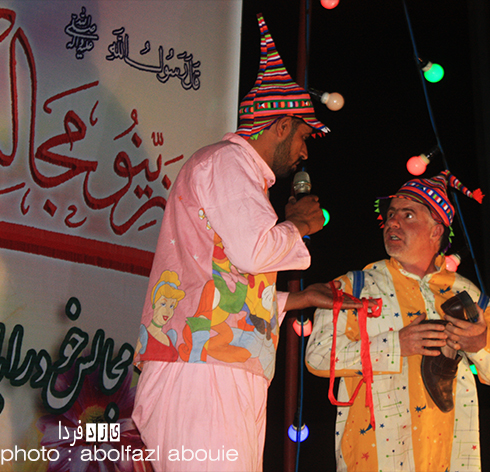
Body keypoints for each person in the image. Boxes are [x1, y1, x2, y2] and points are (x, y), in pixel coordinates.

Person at [131, 14, 359, 472]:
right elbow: (254, 252)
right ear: (281, 125)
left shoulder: (237, 174)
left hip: (217, 365)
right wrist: (297, 225)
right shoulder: (228, 162)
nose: (305, 152)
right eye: (304, 137)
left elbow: (226, 279)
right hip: (203, 369)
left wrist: (297, 299)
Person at [305, 171, 490, 471]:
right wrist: (395, 345)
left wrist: (479, 341)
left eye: (407, 215)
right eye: (391, 215)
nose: (392, 222)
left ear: (436, 231)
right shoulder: (354, 287)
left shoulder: (467, 294)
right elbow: (317, 355)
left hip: (450, 461)